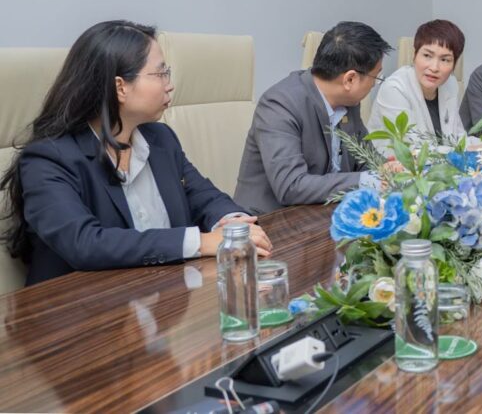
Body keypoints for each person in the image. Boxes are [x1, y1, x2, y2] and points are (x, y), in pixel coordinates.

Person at [0, 20, 270, 286]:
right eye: (161, 73)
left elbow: (204, 197)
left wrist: (234, 225)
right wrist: (201, 242)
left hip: (162, 296)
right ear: (120, 87)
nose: (169, 85)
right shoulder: (48, 160)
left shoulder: (161, 139)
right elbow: (84, 244)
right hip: (79, 305)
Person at [234, 21, 392, 214]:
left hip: (324, 214)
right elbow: (291, 186)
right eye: (376, 77)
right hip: (269, 221)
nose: (374, 85)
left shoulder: (349, 103)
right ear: (350, 79)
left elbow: (366, 160)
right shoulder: (279, 105)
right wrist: (368, 180)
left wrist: (392, 169)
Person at [369, 19, 466, 143]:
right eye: (427, 56)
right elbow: (413, 147)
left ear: (454, 65)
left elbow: (459, 138)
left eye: (445, 60)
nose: (434, 68)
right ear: (414, 55)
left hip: (442, 155)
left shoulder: (450, 84)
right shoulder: (394, 88)